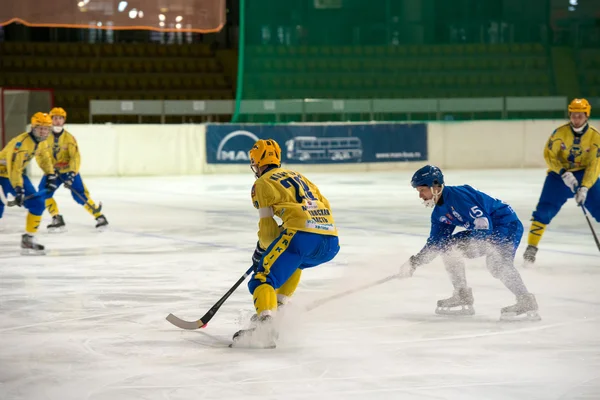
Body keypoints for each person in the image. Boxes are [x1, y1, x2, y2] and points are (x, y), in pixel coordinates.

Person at [231, 139, 340, 348]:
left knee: (262, 278)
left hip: (302, 237)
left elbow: (268, 230)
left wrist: (262, 250)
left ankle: (266, 326)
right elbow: (324, 206)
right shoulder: (300, 176)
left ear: (257, 162)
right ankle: (278, 309)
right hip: (330, 241)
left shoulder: (262, 184)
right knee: (294, 262)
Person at [400, 165, 540, 321]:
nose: (420, 196)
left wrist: (479, 246)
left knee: (496, 264)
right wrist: (415, 262)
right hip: (488, 230)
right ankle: (462, 294)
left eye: (422, 190)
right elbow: (435, 243)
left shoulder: (459, 197)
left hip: (506, 225)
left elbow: (484, 224)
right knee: (448, 247)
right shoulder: (439, 214)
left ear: (435, 186)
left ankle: (526, 300)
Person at [523, 98, 600, 265]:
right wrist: (563, 173)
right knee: (544, 210)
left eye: (580, 115)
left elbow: (595, 166)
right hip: (559, 178)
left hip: (584, 175)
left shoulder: (595, 137)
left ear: (586, 116)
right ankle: (531, 247)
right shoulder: (559, 133)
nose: (576, 119)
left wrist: (585, 187)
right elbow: (549, 155)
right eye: (573, 115)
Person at [37, 107, 108, 232]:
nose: (57, 121)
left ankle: (99, 216)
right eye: (55, 118)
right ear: (50, 119)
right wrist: (49, 171)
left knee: (80, 195)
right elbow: (40, 156)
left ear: (64, 120)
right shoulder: (44, 138)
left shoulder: (69, 138)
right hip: (52, 172)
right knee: (43, 192)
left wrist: (71, 174)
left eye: (60, 118)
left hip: (68, 171)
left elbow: (75, 157)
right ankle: (56, 217)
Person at [0, 112, 56, 254]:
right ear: (33, 127)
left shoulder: (42, 142)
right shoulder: (21, 143)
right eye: (39, 128)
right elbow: (14, 168)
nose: (43, 131)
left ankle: (28, 238)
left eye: (46, 128)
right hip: (4, 174)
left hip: (15, 174)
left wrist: (50, 174)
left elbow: (44, 158)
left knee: (37, 204)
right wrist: (18, 189)